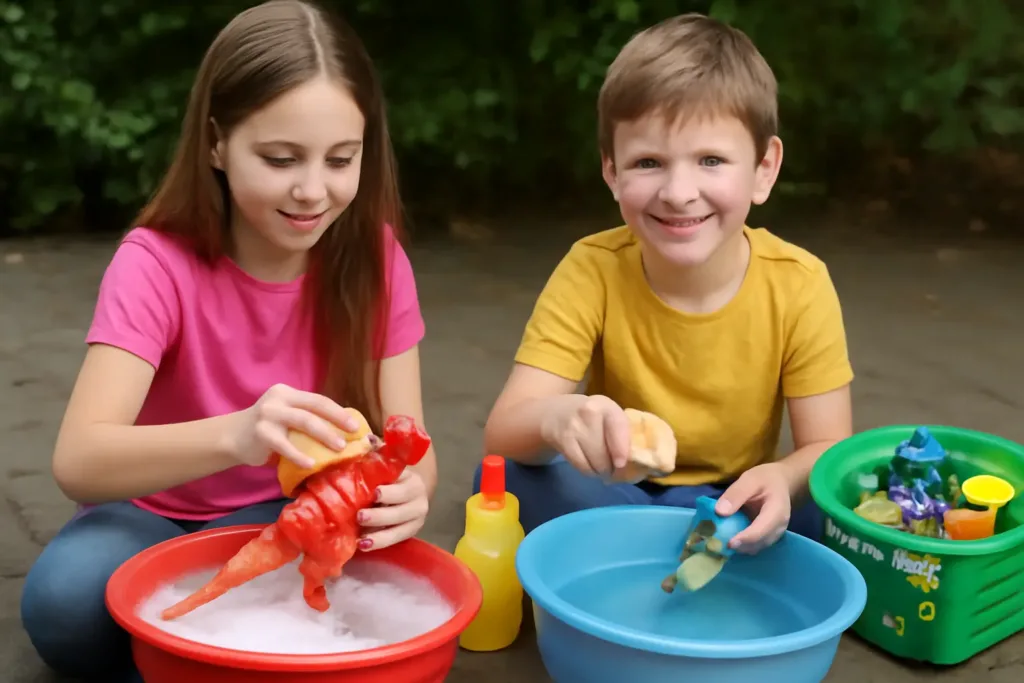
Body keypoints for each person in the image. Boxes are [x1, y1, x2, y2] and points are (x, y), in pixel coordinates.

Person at [19, 2, 435, 681]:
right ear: (216, 143)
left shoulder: (378, 260)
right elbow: (80, 459)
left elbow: (411, 444)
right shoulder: (155, 262)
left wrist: (411, 491)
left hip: (291, 514)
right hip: (145, 512)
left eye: (341, 159)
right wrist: (239, 434)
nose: (312, 190)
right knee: (64, 604)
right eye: (279, 158)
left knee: (344, 594)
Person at [478, 13, 854, 553]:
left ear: (764, 168)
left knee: (824, 511)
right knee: (510, 480)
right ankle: (676, 561)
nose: (679, 192)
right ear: (612, 172)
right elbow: (505, 430)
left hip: (733, 499)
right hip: (615, 489)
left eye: (711, 160)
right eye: (649, 162)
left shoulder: (799, 283)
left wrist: (782, 477)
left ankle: (648, 560)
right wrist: (559, 419)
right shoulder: (593, 267)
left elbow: (828, 445)